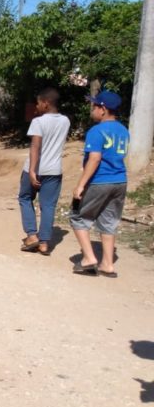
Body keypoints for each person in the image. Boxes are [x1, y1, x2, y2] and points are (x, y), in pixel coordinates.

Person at [70, 90, 129, 277]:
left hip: (99, 181)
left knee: (77, 216)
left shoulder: (96, 131)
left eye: (95, 106)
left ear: (103, 109)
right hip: (120, 181)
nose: (92, 109)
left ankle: (89, 258)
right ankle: (108, 264)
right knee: (109, 221)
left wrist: (80, 185)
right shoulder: (123, 130)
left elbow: (94, 159)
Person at [18, 87, 71, 255]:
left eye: (39, 103)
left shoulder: (38, 122)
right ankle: (44, 244)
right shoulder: (65, 121)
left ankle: (32, 235)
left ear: (46, 103)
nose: (37, 106)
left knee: (25, 198)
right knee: (48, 206)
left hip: (35, 169)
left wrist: (32, 171)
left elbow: (35, 146)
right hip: (54, 170)